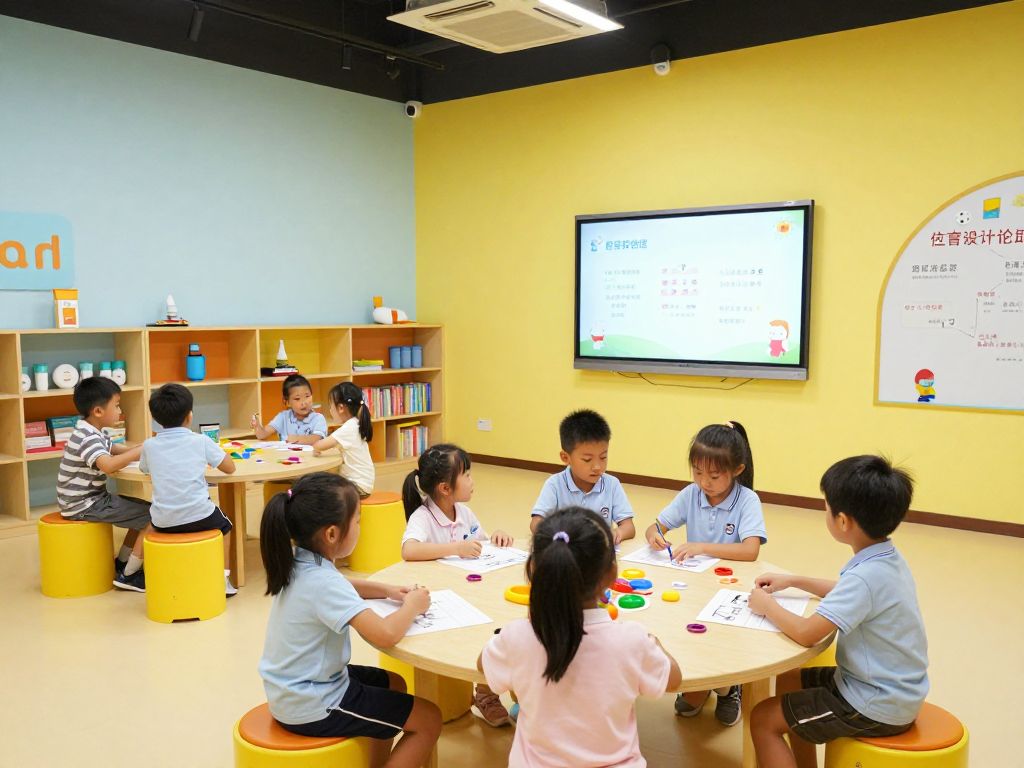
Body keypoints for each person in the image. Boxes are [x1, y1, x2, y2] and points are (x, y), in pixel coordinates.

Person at [748, 455, 928, 768]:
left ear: (843, 521)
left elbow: (807, 634)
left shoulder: (864, 577)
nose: (826, 513)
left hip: (873, 704)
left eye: (827, 508)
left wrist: (767, 607)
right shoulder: (886, 559)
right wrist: (794, 580)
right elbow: (848, 592)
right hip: (893, 690)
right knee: (790, 677)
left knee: (763, 719)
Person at [259, 472, 442, 768]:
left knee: (394, 682)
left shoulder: (301, 561)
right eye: (357, 521)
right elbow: (384, 634)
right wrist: (412, 605)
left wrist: (385, 590)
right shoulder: (323, 583)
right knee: (430, 719)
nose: (360, 527)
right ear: (332, 534)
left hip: (293, 686)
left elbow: (339, 587)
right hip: (314, 702)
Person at [480, 507, 681, 767]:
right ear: (612, 575)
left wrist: (520, 629)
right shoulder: (632, 640)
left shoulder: (517, 636)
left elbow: (482, 666)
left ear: (534, 571)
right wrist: (653, 642)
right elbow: (673, 681)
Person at [645, 420, 766, 725]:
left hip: (731, 586)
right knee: (688, 631)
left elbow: (751, 550)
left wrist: (702, 547)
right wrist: (654, 535)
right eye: (698, 473)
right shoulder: (690, 494)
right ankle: (700, 683)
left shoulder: (747, 500)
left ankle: (728, 687)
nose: (704, 482)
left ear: (737, 470)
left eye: (713, 475)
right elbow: (656, 525)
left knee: (723, 636)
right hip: (694, 583)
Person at [401, 444, 514, 727]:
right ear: (445, 488)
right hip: (440, 598)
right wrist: (454, 548)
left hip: (470, 588)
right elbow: (409, 550)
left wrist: (496, 537)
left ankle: (486, 691)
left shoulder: (464, 512)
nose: (472, 480)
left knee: (495, 626)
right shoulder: (422, 517)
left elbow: (481, 543)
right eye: (466, 474)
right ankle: (485, 693)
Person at [57, 377, 153, 592]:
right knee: (153, 516)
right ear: (98, 411)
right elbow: (108, 465)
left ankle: (123, 562)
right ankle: (131, 575)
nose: (120, 410)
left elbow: (117, 451)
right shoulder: (87, 437)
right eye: (117, 405)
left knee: (143, 509)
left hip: (89, 499)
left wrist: (144, 446)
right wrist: (139, 451)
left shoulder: (92, 431)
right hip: (84, 504)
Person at [141, 383, 238, 595]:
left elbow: (144, 468)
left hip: (163, 521)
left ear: (156, 420)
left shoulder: (149, 445)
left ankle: (134, 572)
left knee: (151, 523)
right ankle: (223, 580)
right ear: (190, 416)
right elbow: (230, 468)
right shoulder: (201, 441)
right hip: (199, 515)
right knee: (227, 526)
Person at [530, 409, 635, 544]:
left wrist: (617, 533)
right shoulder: (555, 484)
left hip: (598, 553)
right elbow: (536, 523)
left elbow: (629, 527)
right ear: (565, 457)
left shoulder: (612, 485)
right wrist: (557, 535)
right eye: (587, 460)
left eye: (603, 457)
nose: (597, 466)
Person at [312, 382, 375, 496]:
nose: (330, 411)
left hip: (357, 486)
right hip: (363, 483)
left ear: (340, 408)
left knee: (320, 489)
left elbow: (319, 445)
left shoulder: (349, 427)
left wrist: (316, 447)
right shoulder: (355, 423)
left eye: (330, 407)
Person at [251, 374, 327, 445]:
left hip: (310, 458)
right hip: (287, 458)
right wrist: (257, 426)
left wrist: (297, 439)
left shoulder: (318, 418)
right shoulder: (283, 417)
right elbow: (263, 435)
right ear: (287, 402)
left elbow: (316, 438)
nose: (304, 403)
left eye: (307, 396)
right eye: (297, 399)